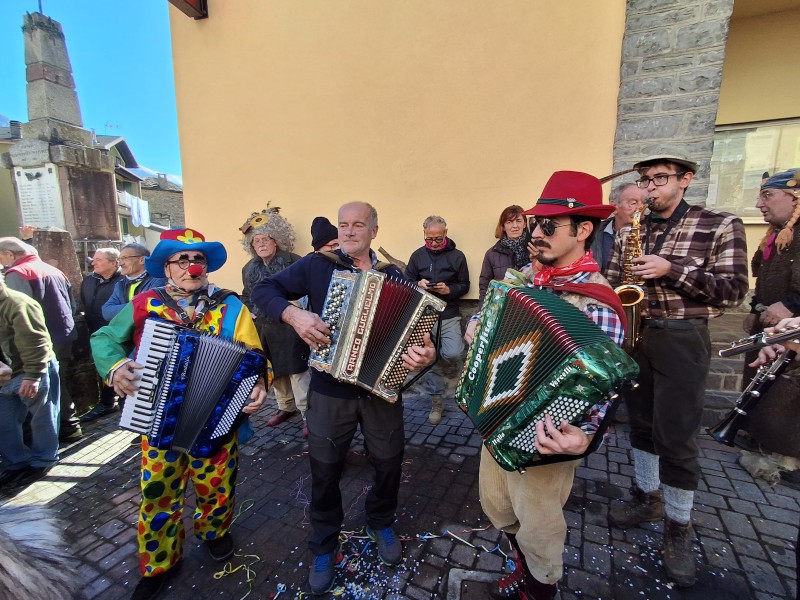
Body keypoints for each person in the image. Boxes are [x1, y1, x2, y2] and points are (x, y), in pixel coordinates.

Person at [250, 201, 436, 595]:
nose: (349, 231)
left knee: (388, 463)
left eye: (358, 225)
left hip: (381, 391)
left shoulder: (395, 275)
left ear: (374, 231)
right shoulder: (318, 265)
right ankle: (324, 543)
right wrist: (294, 315)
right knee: (325, 470)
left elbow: (420, 337)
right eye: (343, 224)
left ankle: (380, 521)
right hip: (329, 390)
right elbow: (264, 289)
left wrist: (426, 354)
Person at [90, 228, 269, 600]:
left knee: (217, 485)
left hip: (217, 419)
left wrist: (259, 382)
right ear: (167, 268)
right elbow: (104, 338)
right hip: (156, 419)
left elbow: (254, 353)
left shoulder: (229, 305)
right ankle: (159, 562)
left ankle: (214, 531)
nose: (192, 267)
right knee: (158, 493)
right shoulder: (146, 302)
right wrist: (116, 367)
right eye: (181, 260)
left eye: (198, 259)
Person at [474, 171, 624, 600]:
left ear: (583, 230)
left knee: (539, 527)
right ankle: (523, 569)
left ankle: (539, 589)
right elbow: (487, 316)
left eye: (548, 226)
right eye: (535, 223)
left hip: (548, 438)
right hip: (499, 418)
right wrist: (475, 326)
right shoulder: (525, 276)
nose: (536, 233)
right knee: (498, 506)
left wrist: (587, 436)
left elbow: (605, 386)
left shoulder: (596, 302)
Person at [606, 153, 749, 586]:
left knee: (677, 436)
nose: (650, 188)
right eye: (646, 180)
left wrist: (672, 270)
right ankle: (646, 497)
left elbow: (734, 292)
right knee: (641, 426)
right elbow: (612, 282)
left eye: (660, 179)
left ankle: (679, 526)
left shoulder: (720, 224)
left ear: (685, 179)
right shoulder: (631, 229)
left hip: (683, 337)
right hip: (636, 334)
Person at [737, 170, 800, 469]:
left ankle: (787, 456)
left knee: (786, 389)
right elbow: (764, 278)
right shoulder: (776, 235)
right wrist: (755, 309)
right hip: (768, 322)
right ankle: (759, 437)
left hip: (792, 329)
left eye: (768, 195)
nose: (760, 204)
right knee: (761, 381)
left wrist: (791, 305)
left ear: (795, 198)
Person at [0, 237, 81, 441]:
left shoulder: (17, 273)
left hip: (37, 341)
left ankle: (49, 436)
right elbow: (72, 305)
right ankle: (70, 426)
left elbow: (20, 316)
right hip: (64, 333)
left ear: (9, 254)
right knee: (58, 383)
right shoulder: (54, 270)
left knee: (39, 392)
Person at [240, 209, 311, 431]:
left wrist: (297, 307)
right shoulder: (248, 268)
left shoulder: (295, 261)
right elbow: (246, 294)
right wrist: (250, 310)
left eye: (265, 239)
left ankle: (308, 414)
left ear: (275, 240)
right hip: (264, 328)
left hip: (290, 327)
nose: (261, 244)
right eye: (256, 241)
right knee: (275, 370)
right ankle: (285, 407)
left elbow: (308, 291)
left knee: (298, 371)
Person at [405, 215, 469, 425]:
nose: (433, 243)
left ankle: (436, 362)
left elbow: (465, 285)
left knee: (453, 352)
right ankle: (436, 402)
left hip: (449, 313)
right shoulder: (417, 256)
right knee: (429, 358)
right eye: (429, 238)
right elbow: (406, 282)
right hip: (425, 314)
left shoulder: (458, 256)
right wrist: (418, 284)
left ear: (445, 233)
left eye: (438, 238)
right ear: (424, 233)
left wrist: (448, 289)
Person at [0, 270, 60, 489]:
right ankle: (16, 462)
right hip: (6, 374)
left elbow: (37, 341)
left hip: (30, 370)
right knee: (5, 422)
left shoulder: (17, 303)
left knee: (42, 418)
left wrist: (33, 375)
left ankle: (44, 460)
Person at [79, 247, 123, 421]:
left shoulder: (123, 281)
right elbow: (84, 303)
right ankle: (107, 402)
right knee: (102, 368)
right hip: (95, 331)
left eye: (98, 260)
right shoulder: (89, 280)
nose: (93, 263)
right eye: (94, 259)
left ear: (113, 263)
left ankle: (114, 403)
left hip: (117, 332)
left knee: (117, 367)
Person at [478, 205, 532, 307]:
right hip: (503, 306)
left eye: (518, 221)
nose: (514, 226)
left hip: (531, 305)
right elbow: (485, 285)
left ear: (525, 224)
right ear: (503, 226)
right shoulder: (492, 253)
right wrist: (482, 309)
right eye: (509, 222)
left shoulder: (535, 248)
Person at [101, 243, 167, 322]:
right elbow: (106, 312)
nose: (120, 263)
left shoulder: (159, 280)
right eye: (120, 259)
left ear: (142, 260)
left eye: (125, 258)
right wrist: (138, 306)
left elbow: (152, 309)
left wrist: (124, 310)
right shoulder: (120, 284)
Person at [590, 182, 645, 274]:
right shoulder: (593, 232)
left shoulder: (655, 232)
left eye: (643, 202)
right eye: (633, 203)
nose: (640, 208)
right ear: (614, 207)